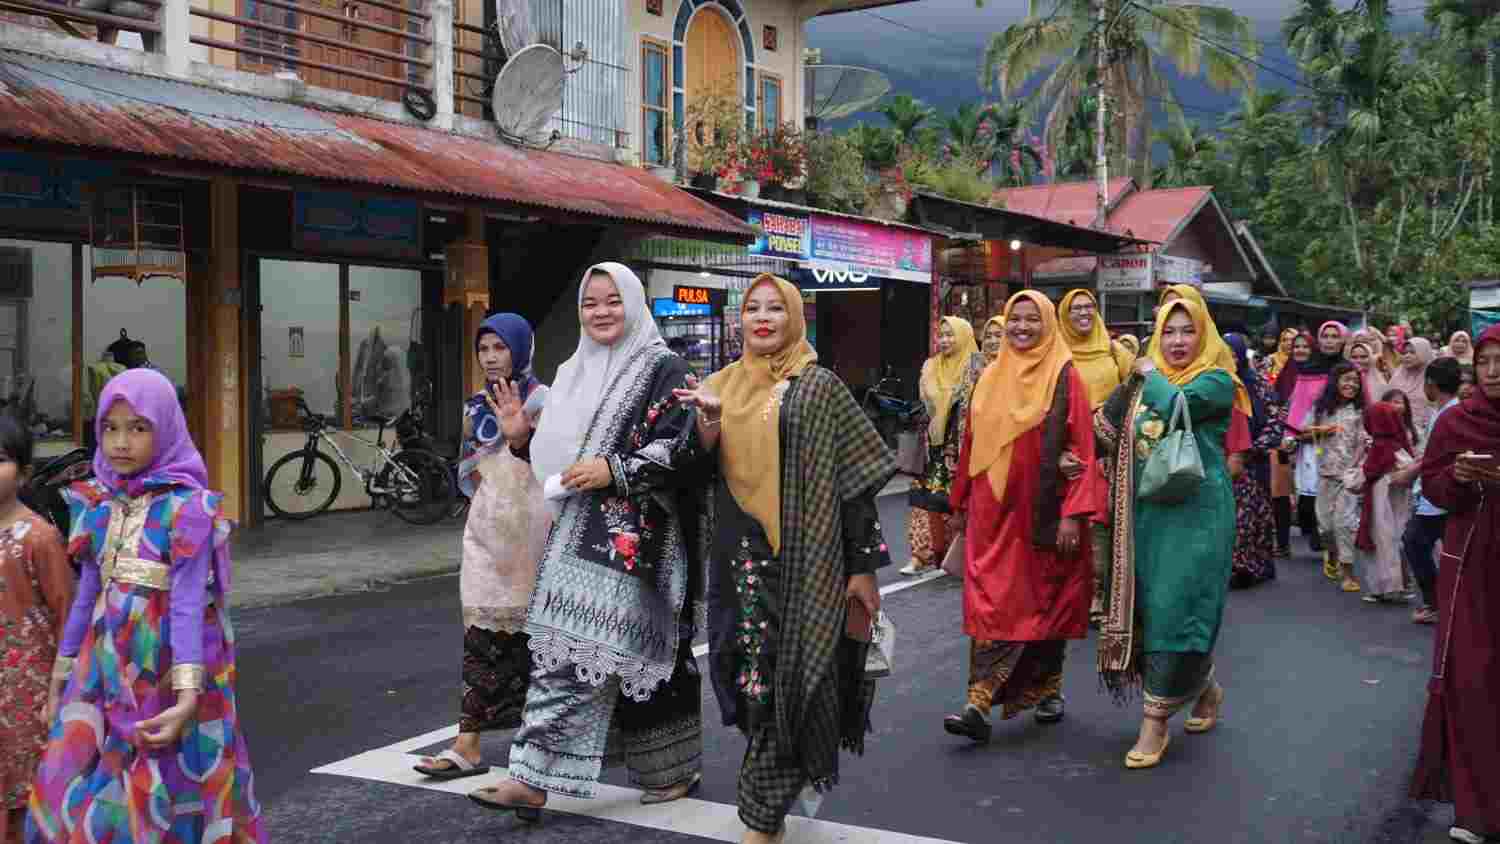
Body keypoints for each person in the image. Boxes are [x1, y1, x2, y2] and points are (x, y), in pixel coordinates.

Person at [469, 263, 703, 819]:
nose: (601, 312)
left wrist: (614, 471)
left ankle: (645, 768)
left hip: (639, 538)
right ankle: (540, 776)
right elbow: (559, 463)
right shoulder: (572, 370)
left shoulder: (663, 369)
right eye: (590, 303)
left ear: (634, 302)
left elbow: (683, 446)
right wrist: (523, 441)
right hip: (573, 533)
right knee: (569, 651)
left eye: (612, 300)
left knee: (622, 653)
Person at [675, 274, 895, 844]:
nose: (764, 317)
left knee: (793, 678)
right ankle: (784, 769)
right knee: (742, 674)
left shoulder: (818, 385)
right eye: (753, 308)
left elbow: (855, 484)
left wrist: (863, 567)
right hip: (737, 564)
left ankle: (761, 816)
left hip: (806, 559)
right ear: (740, 319)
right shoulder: (718, 386)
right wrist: (708, 422)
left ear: (796, 318)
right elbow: (692, 472)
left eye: (777, 307)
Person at [27, 369, 264, 843]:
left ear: (166, 428)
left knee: (168, 788)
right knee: (82, 779)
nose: (121, 442)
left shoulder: (188, 509)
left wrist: (188, 696)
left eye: (138, 427)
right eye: (110, 428)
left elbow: (188, 605)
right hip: (103, 666)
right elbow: (86, 596)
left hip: (169, 669)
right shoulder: (95, 504)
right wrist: (62, 676)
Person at [1096, 295, 1250, 769]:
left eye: (1188, 331)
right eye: (1168, 331)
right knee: (1154, 607)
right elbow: (1105, 426)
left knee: (1176, 607)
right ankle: (1205, 689)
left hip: (1198, 513)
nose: (1178, 341)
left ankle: (1154, 723)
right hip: (1146, 514)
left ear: (1204, 334)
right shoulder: (1145, 379)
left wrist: (1150, 373)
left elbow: (1179, 403)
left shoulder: (1218, 381)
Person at [944, 291, 1103, 742]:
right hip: (993, 515)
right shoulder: (991, 377)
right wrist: (959, 505)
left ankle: (1048, 688)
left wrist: (1074, 513)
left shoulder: (1065, 376)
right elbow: (971, 445)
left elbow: (1083, 448)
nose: (1022, 327)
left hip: (1043, 514)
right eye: (1016, 319)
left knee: (1044, 601)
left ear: (1049, 324)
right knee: (992, 603)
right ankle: (978, 701)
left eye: (1033, 320)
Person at [414, 314, 550, 781]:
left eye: (500, 347)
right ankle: (466, 744)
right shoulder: (476, 405)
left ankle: (540, 751)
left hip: (537, 529)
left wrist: (521, 440)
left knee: (539, 639)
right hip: (489, 528)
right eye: (484, 348)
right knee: (480, 631)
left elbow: (555, 463)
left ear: (520, 349)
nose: (491, 357)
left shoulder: (543, 400)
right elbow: (468, 467)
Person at [1409, 324, 1500, 844]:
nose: (1492, 371)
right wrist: (1460, 479)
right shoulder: (1456, 421)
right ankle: (1474, 810)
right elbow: (1434, 487)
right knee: (1472, 679)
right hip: (1469, 563)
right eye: (1484, 362)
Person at [0, 418, 70, 844]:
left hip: (27, 699)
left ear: (24, 471)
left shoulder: (39, 538)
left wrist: (58, 693)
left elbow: (67, 616)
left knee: (27, 806)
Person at [1057, 289, 1134, 624]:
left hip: (1107, 453)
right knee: (1063, 524)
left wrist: (1112, 446)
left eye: (1089, 307)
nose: (1083, 313)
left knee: (1099, 521)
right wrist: (1057, 451)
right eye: (1075, 309)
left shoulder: (1115, 352)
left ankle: (1100, 595)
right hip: (1066, 452)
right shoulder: (1056, 352)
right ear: (1064, 315)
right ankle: (1068, 597)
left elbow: (1135, 399)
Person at [904, 316, 980, 576]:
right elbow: (924, 404)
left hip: (960, 446)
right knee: (922, 501)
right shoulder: (930, 366)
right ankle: (919, 555)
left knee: (952, 503)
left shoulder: (975, 366)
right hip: (930, 446)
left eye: (951, 335)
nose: (945, 340)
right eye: (942, 335)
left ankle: (949, 555)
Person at [1275, 324, 1347, 563]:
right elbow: (1298, 405)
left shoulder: (1349, 369)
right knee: (1310, 495)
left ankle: (1336, 547)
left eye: (1335, 336)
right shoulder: (1308, 370)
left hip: (1341, 439)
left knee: (1337, 496)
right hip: (1310, 439)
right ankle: (1320, 534)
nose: (1329, 341)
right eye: (1325, 336)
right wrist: (1291, 434)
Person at [1398, 358, 1460, 625]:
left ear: (1431, 385)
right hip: (1440, 495)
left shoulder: (1449, 414)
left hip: (1438, 497)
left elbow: (1436, 457)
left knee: (1414, 543)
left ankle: (1436, 602)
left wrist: (1411, 473)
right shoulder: (1446, 411)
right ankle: (1445, 601)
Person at [1225, 333, 1282, 588]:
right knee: (1232, 518)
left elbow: (1274, 419)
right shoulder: (1218, 385)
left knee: (1255, 517)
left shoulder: (1258, 384)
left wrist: (1253, 448)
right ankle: (1234, 567)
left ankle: (1254, 566)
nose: (1230, 358)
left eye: (1233, 353)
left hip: (1254, 460)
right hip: (1225, 460)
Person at [1310, 362, 1367, 593]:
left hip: (1349, 476)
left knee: (1343, 524)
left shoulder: (1361, 412)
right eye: (1346, 380)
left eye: (1355, 381)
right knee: (1325, 525)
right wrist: (1320, 431)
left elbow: (1365, 442)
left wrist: (1356, 468)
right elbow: (1304, 430)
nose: (1351, 384)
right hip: (1325, 473)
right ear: (1335, 383)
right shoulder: (1322, 410)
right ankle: (1331, 554)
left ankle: (1348, 573)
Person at [1351, 400, 1415, 604]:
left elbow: (1363, 476)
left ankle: (1382, 587)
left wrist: (1349, 475)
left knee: (1380, 543)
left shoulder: (1379, 448)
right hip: (1397, 503)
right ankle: (1399, 585)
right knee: (1396, 542)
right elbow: (1409, 466)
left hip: (1380, 505)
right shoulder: (1397, 445)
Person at [1389, 337, 1438, 436]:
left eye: (1412, 352)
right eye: (1404, 353)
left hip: (1428, 431)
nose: (1407, 356)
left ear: (1424, 353)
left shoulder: (1434, 378)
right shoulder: (1397, 375)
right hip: (1396, 430)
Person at [1347, 332, 1389, 404]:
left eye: (1364, 357)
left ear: (1371, 357)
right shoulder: (1345, 379)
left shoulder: (1381, 381)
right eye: (1354, 357)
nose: (1358, 361)